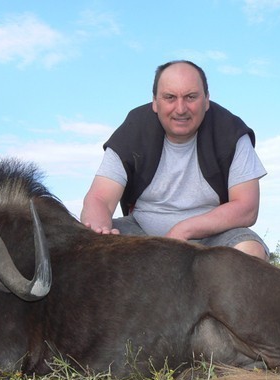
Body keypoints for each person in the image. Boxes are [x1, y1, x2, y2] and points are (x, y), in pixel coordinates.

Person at [80, 60, 269, 260]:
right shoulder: (132, 130)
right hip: (140, 233)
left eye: (191, 97)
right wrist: (99, 231)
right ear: (155, 102)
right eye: (170, 97)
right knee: (82, 246)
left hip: (212, 237)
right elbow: (100, 198)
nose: (180, 109)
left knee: (250, 250)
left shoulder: (231, 132)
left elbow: (247, 208)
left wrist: (183, 230)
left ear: (206, 100)